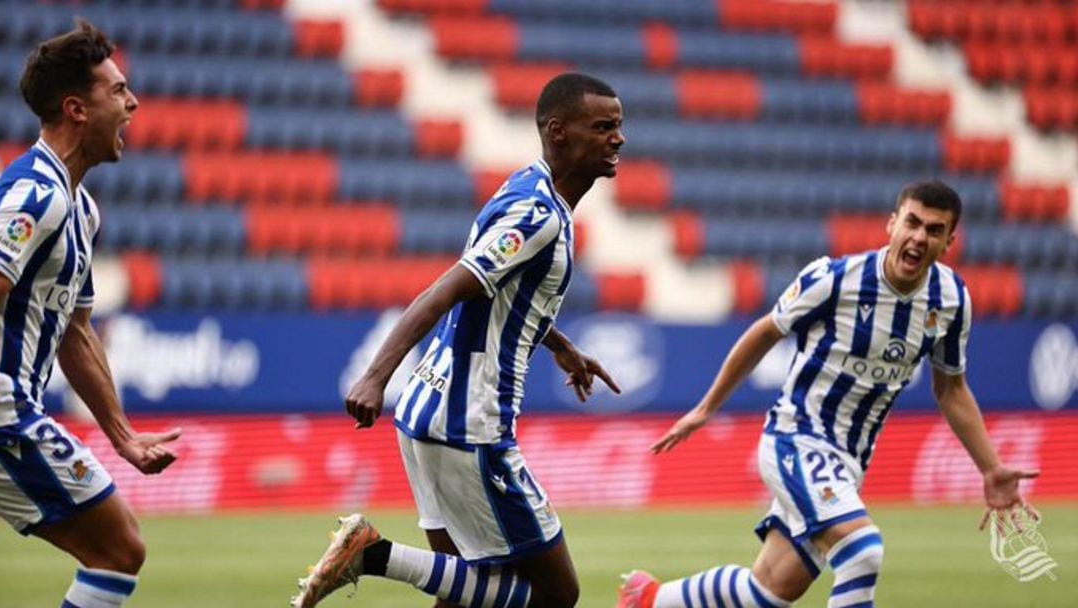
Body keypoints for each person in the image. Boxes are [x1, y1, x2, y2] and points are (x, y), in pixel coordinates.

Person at [617, 181, 1040, 608]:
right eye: (911, 222)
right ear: (892, 224)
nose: (918, 237)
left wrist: (990, 467)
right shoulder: (836, 280)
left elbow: (950, 387)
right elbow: (765, 331)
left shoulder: (950, 300)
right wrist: (707, 408)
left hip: (849, 462)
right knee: (863, 552)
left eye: (933, 230)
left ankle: (649, 599)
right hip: (795, 438)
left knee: (770, 590)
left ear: (948, 242)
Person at [291, 72, 625, 608]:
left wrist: (559, 344)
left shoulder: (525, 188)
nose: (618, 138)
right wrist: (376, 376)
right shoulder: (537, 216)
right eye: (603, 126)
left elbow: (500, 298)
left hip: (429, 415)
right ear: (559, 131)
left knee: (461, 594)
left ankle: (372, 553)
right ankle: (372, 554)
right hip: (470, 428)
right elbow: (443, 291)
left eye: (619, 126)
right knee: (557, 593)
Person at [0, 20, 182, 608]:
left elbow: (74, 333)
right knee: (118, 550)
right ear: (77, 108)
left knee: (118, 549)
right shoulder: (34, 195)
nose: (133, 103)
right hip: (3, 409)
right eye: (118, 91)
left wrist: (122, 437)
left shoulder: (81, 210)